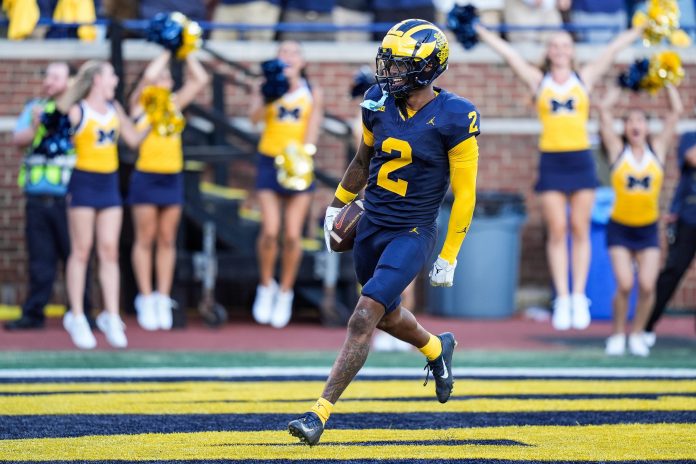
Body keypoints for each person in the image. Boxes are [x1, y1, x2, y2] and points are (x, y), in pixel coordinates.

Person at [288, 19, 480, 446]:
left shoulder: (455, 117)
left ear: (427, 69)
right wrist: (337, 204)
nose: (387, 72)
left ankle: (318, 413)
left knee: (363, 316)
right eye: (388, 63)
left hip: (412, 232)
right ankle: (435, 348)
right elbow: (362, 160)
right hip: (371, 222)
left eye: (398, 65)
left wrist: (450, 252)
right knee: (387, 314)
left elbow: (466, 195)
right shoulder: (377, 100)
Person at [474, 22, 643, 331]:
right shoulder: (540, 81)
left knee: (580, 228)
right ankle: (562, 299)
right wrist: (481, 30)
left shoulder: (584, 78)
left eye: (566, 46)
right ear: (549, 52)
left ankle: (579, 296)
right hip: (552, 160)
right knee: (558, 228)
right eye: (555, 46)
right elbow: (510, 55)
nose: (561, 51)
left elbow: (611, 50)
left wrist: (639, 29)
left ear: (572, 52)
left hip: (581, 159)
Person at [58, 60, 149, 349]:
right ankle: (77, 315)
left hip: (109, 184)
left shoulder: (115, 110)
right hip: (83, 182)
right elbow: (56, 135)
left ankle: (111, 314)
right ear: (97, 79)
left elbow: (133, 140)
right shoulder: (77, 111)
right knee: (82, 250)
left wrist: (153, 119)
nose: (116, 79)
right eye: (111, 75)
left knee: (109, 250)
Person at [4, 62, 90, 331]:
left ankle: (82, 312)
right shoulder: (35, 108)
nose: (49, 81)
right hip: (37, 198)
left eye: (56, 76)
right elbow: (19, 140)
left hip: (70, 199)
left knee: (76, 256)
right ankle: (34, 312)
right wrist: (36, 123)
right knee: (40, 260)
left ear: (70, 81)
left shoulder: (79, 110)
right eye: (48, 76)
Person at [598, 84, 683, 356]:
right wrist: (621, 87)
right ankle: (617, 334)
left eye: (640, 121)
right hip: (620, 227)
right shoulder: (616, 151)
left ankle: (637, 333)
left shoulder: (657, 150)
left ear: (647, 127)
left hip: (647, 229)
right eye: (630, 121)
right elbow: (602, 111)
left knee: (647, 285)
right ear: (625, 128)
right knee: (624, 284)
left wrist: (666, 81)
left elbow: (676, 111)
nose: (635, 125)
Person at [127, 50, 208, 331]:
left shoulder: (174, 103)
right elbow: (149, 76)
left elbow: (200, 79)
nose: (164, 79)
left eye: (167, 76)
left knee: (166, 239)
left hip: (172, 176)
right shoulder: (140, 103)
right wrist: (165, 50)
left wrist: (184, 50)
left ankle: (162, 297)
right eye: (160, 76)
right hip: (146, 176)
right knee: (145, 238)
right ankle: (145, 297)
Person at [249, 41, 324, 328]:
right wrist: (269, 92)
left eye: (294, 52)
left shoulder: (312, 91)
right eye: (284, 52)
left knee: (292, 234)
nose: (289, 56)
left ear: (302, 61)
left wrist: (303, 158)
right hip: (269, 160)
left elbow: (313, 128)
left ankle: (285, 292)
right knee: (270, 230)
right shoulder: (265, 84)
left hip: (298, 164)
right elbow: (254, 119)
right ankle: (265, 285)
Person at [644, 131, 696, 343]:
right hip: (688, 219)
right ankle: (645, 325)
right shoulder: (689, 137)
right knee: (673, 271)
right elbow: (691, 156)